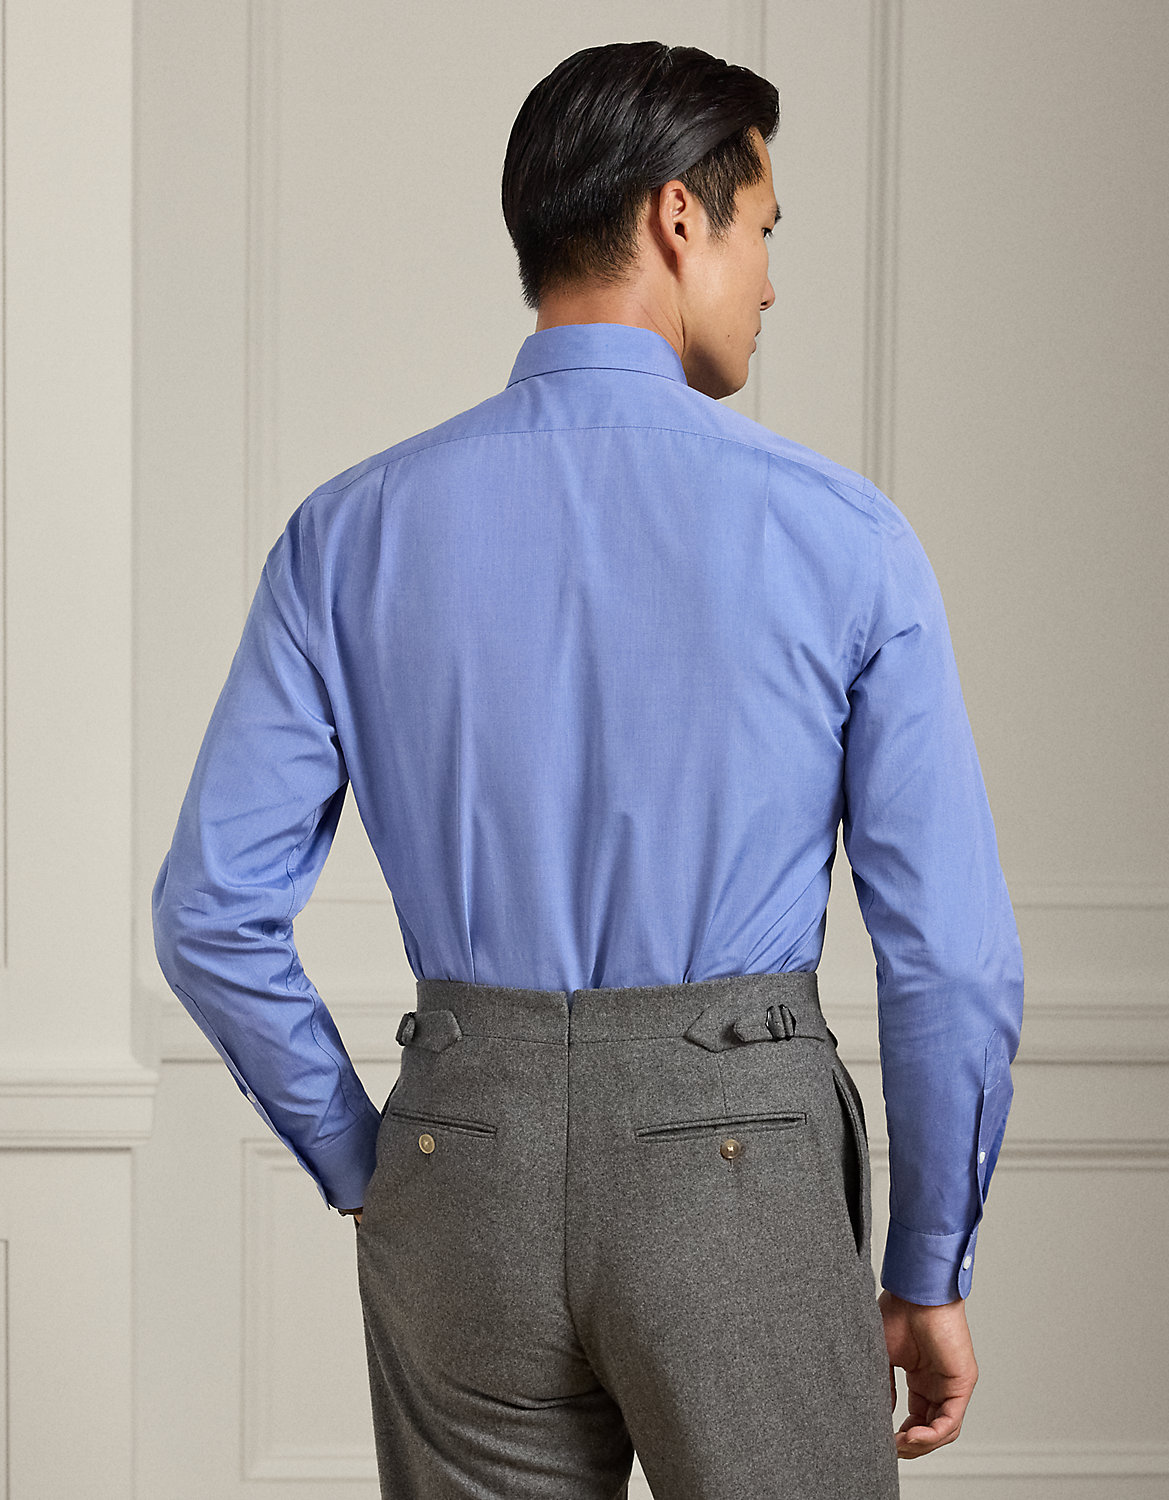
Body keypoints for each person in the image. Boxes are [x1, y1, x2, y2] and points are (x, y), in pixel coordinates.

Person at [151, 39, 1023, 1500]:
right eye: (763, 231)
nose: (769, 282)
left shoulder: (347, 533)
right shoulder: (843, 536)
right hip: (738, 1166)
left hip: (461, 1168)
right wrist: (929, 1261)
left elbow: (209, 914)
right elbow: (952, 954)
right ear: (681, 217)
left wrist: (373, 1160)